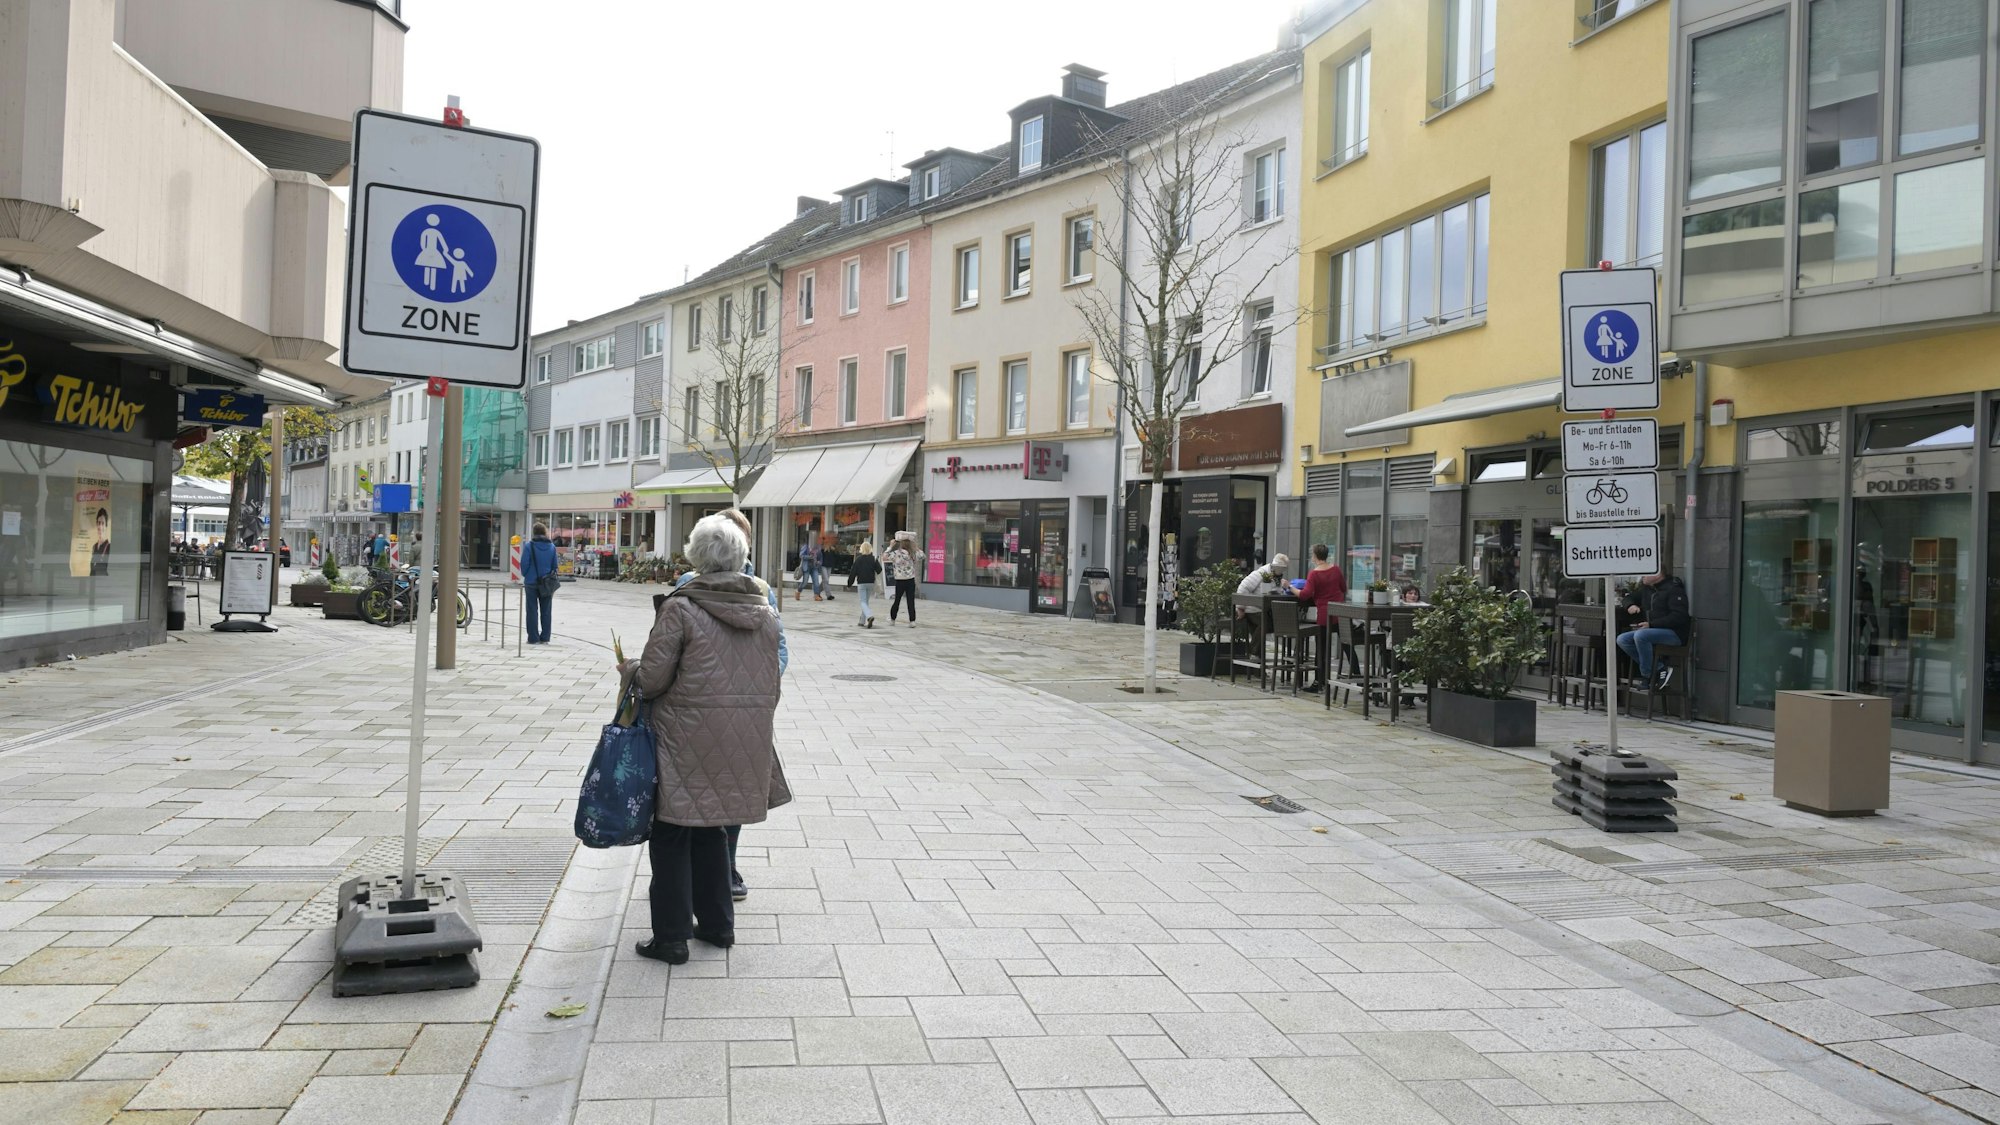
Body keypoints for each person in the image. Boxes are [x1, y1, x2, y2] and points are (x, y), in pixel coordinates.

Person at [624, 514, 789, 966]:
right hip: (743, 736)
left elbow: (654, 681)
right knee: (713, 828)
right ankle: (717, 927)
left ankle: (672, 938)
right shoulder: (767, 613)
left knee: (673, 832)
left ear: (695, 556)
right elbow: (773, 679)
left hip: (684, 737)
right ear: (741, 556)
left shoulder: (680, 607)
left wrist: (630, 671)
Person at [675, 508, 786, 902]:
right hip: (703, 706)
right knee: (707, 793)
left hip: (740, 706)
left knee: (731, 791)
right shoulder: (688, 586)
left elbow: (779, 647)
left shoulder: (761, 589)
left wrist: (758, 684)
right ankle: (706, 875)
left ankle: (727, 868)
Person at [1616, 569, 1691, 691]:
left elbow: (1679, 616)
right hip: (1652, 631)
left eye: (1646, 573)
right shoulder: (1647, 589)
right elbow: (1629, 597)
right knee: (1622, 639)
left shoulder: (1674, 589)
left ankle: (1647, 676)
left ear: (1658, 574)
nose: (1642, 576)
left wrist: (1652, 624)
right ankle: (1659, 668)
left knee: (1641, 636)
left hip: (1674, 634)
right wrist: (1630, 605)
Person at [1297, 546, 1346, 691]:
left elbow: (1305, 595)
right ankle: (1360, 679)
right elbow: (1343, 588)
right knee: (1348, 648)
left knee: (1321, 650)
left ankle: (1319, 682)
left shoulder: (1314, 574)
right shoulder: (1336, 570)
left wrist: (1291, 587)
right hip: (1339, 614)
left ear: (1314, 556)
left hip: (1324, 616)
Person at [519, 523, 558, 644]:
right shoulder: (552, 547)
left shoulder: (529, 546)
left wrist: (527, 575)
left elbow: (524, 565)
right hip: (546, 583)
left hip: (531, 582)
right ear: (545, 532)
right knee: (546, 611)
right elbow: (555, 566)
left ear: (534, 533)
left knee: (531, 610)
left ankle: (533, 638)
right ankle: (545, 637)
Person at [884, 532, 920, 626]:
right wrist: (915, 546)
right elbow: (922, 555)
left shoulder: (896, 553)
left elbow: (884, 557)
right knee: (910, 601)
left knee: (897, 600)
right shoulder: (913, 554)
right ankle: (912, 621)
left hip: (900, 580)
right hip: (910, 579)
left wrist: (891, 546)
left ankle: (892, 619)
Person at [850, 541, 882, 628]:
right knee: (866, 602)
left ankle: (869, 616)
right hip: (870, 583)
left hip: (861, 583)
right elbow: (879, 570)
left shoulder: (858, 559)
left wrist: (849, 583)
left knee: (863, 602)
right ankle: (862, 621)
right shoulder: (873, 559)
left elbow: (853, 572)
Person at [795, 537, 823, 602]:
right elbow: (801, 555)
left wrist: (819, 562)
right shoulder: (806, 547)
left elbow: (820, 557)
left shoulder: (818, 548)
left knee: (816, 582)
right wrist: (809, 557)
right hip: (806, 567)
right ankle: (798, 591)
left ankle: (816, 595)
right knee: (805, 582)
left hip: (814, 567)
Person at [89, 508, 110, 576]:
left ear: (106, 526)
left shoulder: (109, 547)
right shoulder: (94, 547)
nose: (100, 526)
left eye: (103, 523)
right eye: (99, 523)